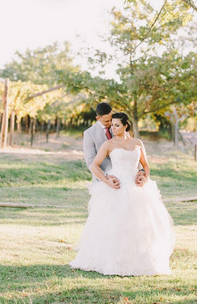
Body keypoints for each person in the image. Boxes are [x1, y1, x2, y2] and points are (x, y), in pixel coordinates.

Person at [70, 112, 175, 276]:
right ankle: (111, 260)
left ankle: (141, 261)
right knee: (113, 224)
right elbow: (94, 165)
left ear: (126, 125)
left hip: (137, 188)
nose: (113, 128)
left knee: (140, 224)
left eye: (116, 125)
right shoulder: (108, 144)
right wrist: (107, 180)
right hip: (116, 188)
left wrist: (144, 177)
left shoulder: (137, 143)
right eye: (111, 125)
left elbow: (146, 166)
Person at [82, 102, 145, 187]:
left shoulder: (120, 126)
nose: (110, 123)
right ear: (98, 118)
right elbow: (90, 162)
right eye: (107, 121)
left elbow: (132, 151)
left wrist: (141, 170)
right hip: (104, 179)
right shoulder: (89, 134)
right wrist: (106, 177)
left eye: (111, 119)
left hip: (128, 177)